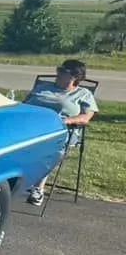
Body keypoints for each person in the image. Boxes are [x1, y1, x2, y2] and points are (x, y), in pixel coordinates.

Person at [22, 59, 98, 206]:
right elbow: (24, 104)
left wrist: (66, 121)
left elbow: (86, 117)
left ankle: (38, 188)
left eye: (63, 71)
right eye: (58, 70)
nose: (58, 74)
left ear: (75, 77)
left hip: (60, 130)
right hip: (31, 126)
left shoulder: (83, 94)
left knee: (48, 149)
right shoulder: (42, 87)